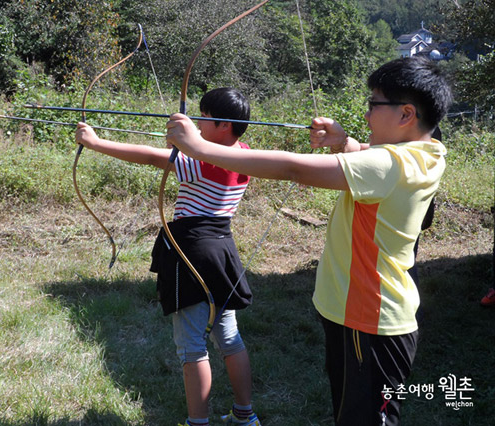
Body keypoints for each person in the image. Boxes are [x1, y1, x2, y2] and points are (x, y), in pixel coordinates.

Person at [166, 56, 452, 425]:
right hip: (359, 318)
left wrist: (199, 147)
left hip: (369, 322)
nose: (366, 114)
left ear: (405, 114)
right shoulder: (426, 154)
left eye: (373, 104)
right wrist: (344, 143)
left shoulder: (390, 165)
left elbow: (292, 167)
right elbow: (377, 159)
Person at [75, 87, 261, 426]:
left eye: (204, 116)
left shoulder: (202, 161)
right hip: (222, 250)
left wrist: (95, 143)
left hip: (192, 252)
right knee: (229, 339)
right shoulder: (243, 153)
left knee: (192, 347)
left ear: (223, 126)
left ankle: (197, 423)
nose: (199, 121)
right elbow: (183, 151)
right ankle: (245, 416)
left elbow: (148, 156)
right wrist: (185, 139)